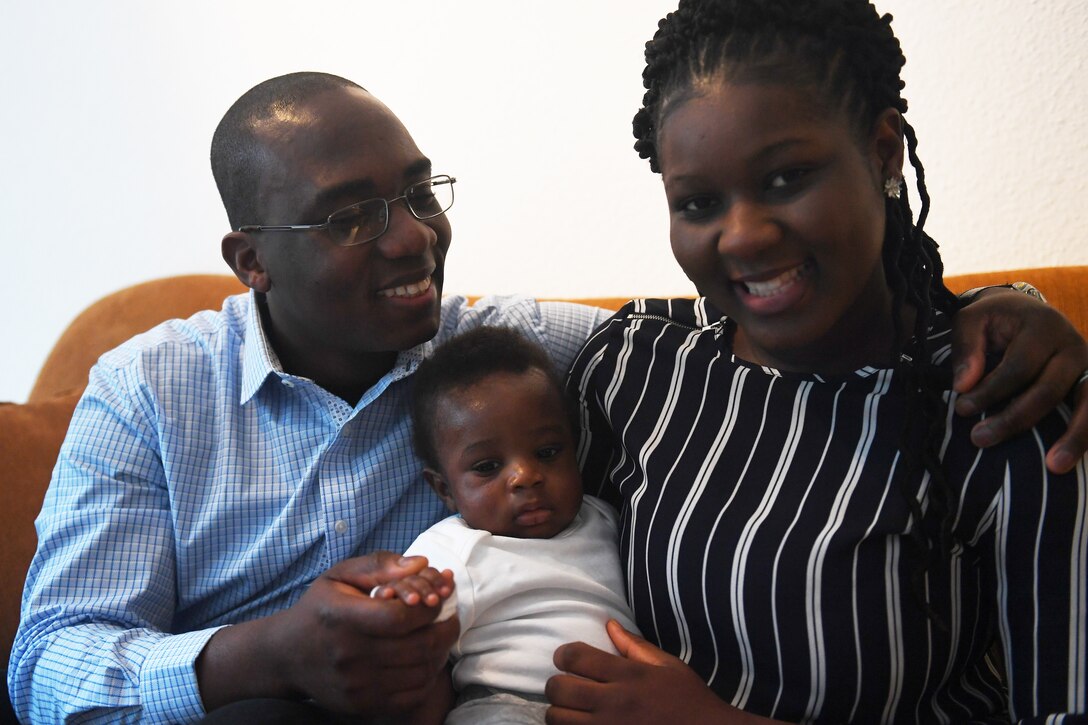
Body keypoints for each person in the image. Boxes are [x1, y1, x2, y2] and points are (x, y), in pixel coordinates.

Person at [6, 70, 1087, 723]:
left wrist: (999, 300)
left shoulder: (505, 345)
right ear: (249, 258)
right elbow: (46, 666)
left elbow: (747, 304)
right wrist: (261, 651)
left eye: (417, 190)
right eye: (347, 215)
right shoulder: (146, 390)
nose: (409, 236)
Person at [547, 2, 1088, 723]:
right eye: (699, 202)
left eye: (786, 177)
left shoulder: (1006, 397)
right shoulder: (633, 365)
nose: (743, 236)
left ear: (884, 150)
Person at [374, 325, 639, 724]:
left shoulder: (606, 519)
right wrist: (400, 597)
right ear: (445, 489)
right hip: (506, 703)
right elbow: (393, 617)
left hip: (621, 703)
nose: (524, 476)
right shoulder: (454, 549)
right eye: (487, 467)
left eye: (547, 452)